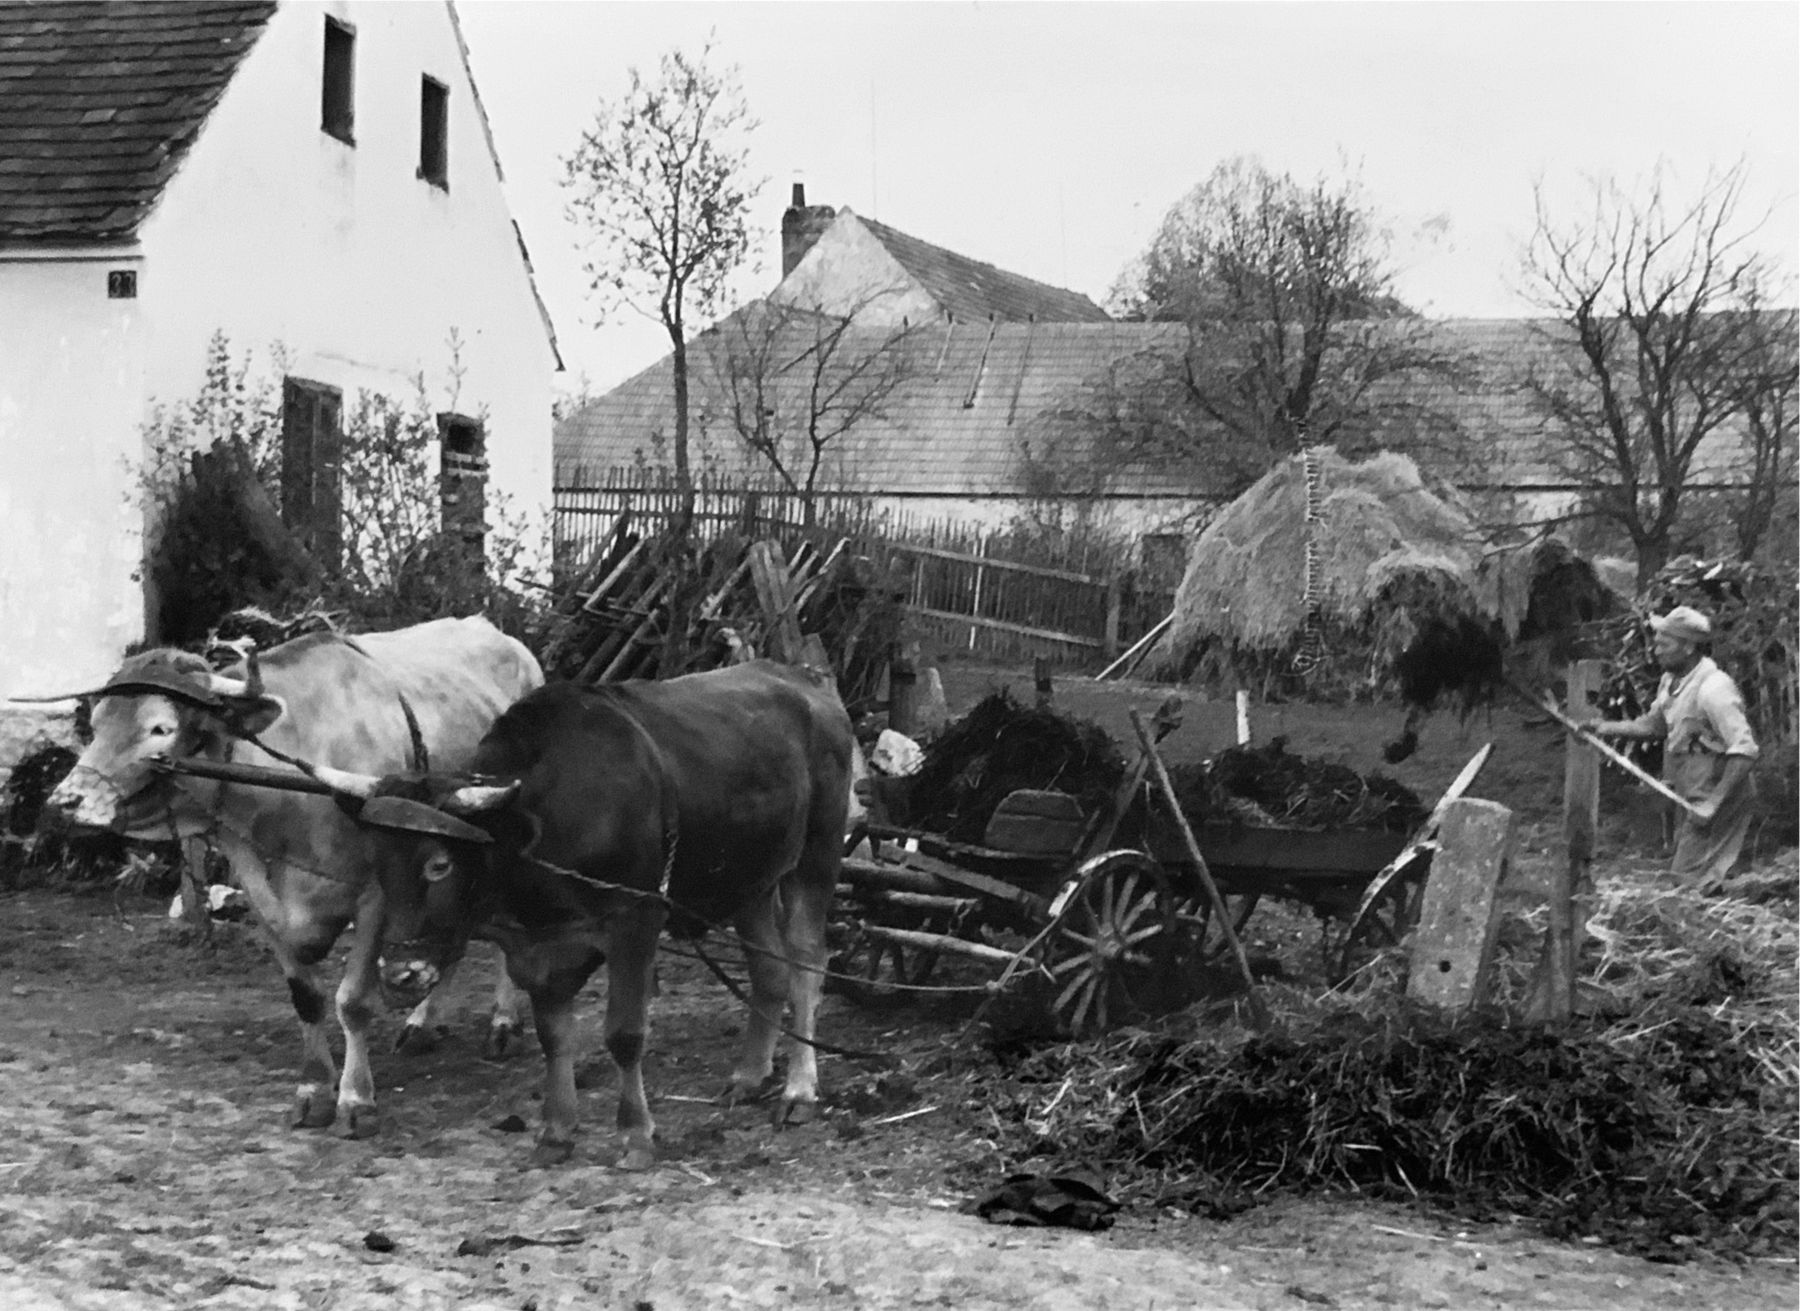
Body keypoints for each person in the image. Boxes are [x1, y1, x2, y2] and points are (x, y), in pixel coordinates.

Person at [1582, 605, 1760, 888]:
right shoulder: (1671, 682)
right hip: (1693, 793)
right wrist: (1604, 728)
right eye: (1657, 643)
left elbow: (1745, 751)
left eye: (1664, 644)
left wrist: (1713, 804)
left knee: (1685, 881)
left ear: (1688, 647)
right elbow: (1655, 726)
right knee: (1700, 877)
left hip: (1720, 796)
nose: (1656, 650)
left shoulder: (1714, 690)